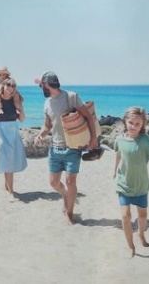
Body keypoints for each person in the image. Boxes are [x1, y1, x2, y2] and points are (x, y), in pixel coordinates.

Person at [33, 71, 97, 224]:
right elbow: (48, 125)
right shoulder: (47, 103)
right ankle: (67, 196)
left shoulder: (71, 97)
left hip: (73, 147)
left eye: (42, 86)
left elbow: (88, 116)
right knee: (54, 183)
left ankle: (69, 213)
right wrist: (40, 135)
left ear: (47, 85)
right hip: (55, 148)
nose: (42, 88)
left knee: (70, 181)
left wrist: (93, 138)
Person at [112, 106, 149, 258]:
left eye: (137, 124)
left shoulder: (145, 140)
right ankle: (131, 246)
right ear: (125, 121)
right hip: (123, 183)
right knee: (125, 216)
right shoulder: (119, 139)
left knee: (143, 215)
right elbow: (119, 155)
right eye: (131, 122)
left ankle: (141, 235)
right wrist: (114, 171)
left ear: (142, 126)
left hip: (140, 186)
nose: (133, 126)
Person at [0, 76, 27, 196]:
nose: (10, 88)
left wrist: (21, 109)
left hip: (13, 131)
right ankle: (11, 192)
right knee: (6, 158)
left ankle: (8, 188)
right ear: (3, 86)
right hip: (0, 131)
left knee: (8, 160)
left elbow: (22, 119)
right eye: (8, 85)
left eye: (13, 86)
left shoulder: (16, 101)